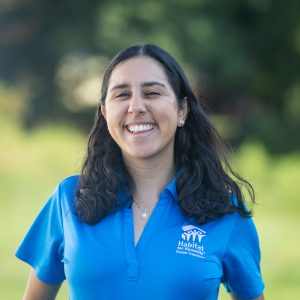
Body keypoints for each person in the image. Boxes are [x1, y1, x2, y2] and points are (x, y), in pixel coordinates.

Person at [16, 44, 265, 300]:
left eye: (152, 93)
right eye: (122, 95)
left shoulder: (223, 209)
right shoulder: (69, 198)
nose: (136, 106)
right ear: (105, 112)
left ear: (182, 110)